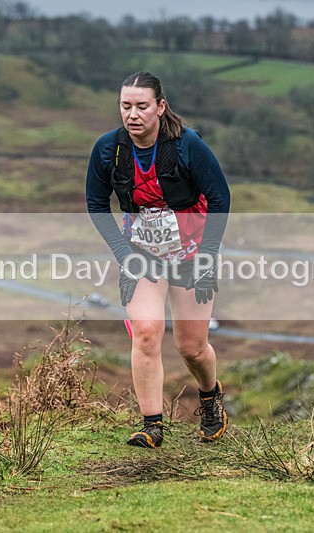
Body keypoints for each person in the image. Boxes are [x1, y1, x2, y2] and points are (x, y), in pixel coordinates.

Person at [86, 71, 230, 448]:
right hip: (141, 254)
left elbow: (220, 200)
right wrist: (123, 254)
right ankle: (151, 425)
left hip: (191, 253)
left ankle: (211, 398)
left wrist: (208, 259)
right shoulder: (108, 149)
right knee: (147, 333)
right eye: (125, 106)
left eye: (141, 106)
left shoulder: (187, 145)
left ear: (160, 107)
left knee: (191, 347)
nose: (132, 114)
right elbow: (96, 205)